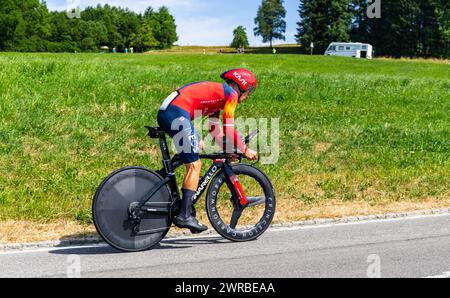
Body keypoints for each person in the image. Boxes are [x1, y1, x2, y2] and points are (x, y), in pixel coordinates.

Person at [156, 69, 259, 233]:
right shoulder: (231, 95)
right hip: (175, 113)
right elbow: (229, 128)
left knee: (196, 144)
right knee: (194, 164)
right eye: (248, 92)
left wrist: (227, 150)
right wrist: (245, 149)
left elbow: (214, 129)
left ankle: (159, 178)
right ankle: (184, 215)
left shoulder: (219, 97)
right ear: (241, 86)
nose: (246, 97)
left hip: (171, 112)